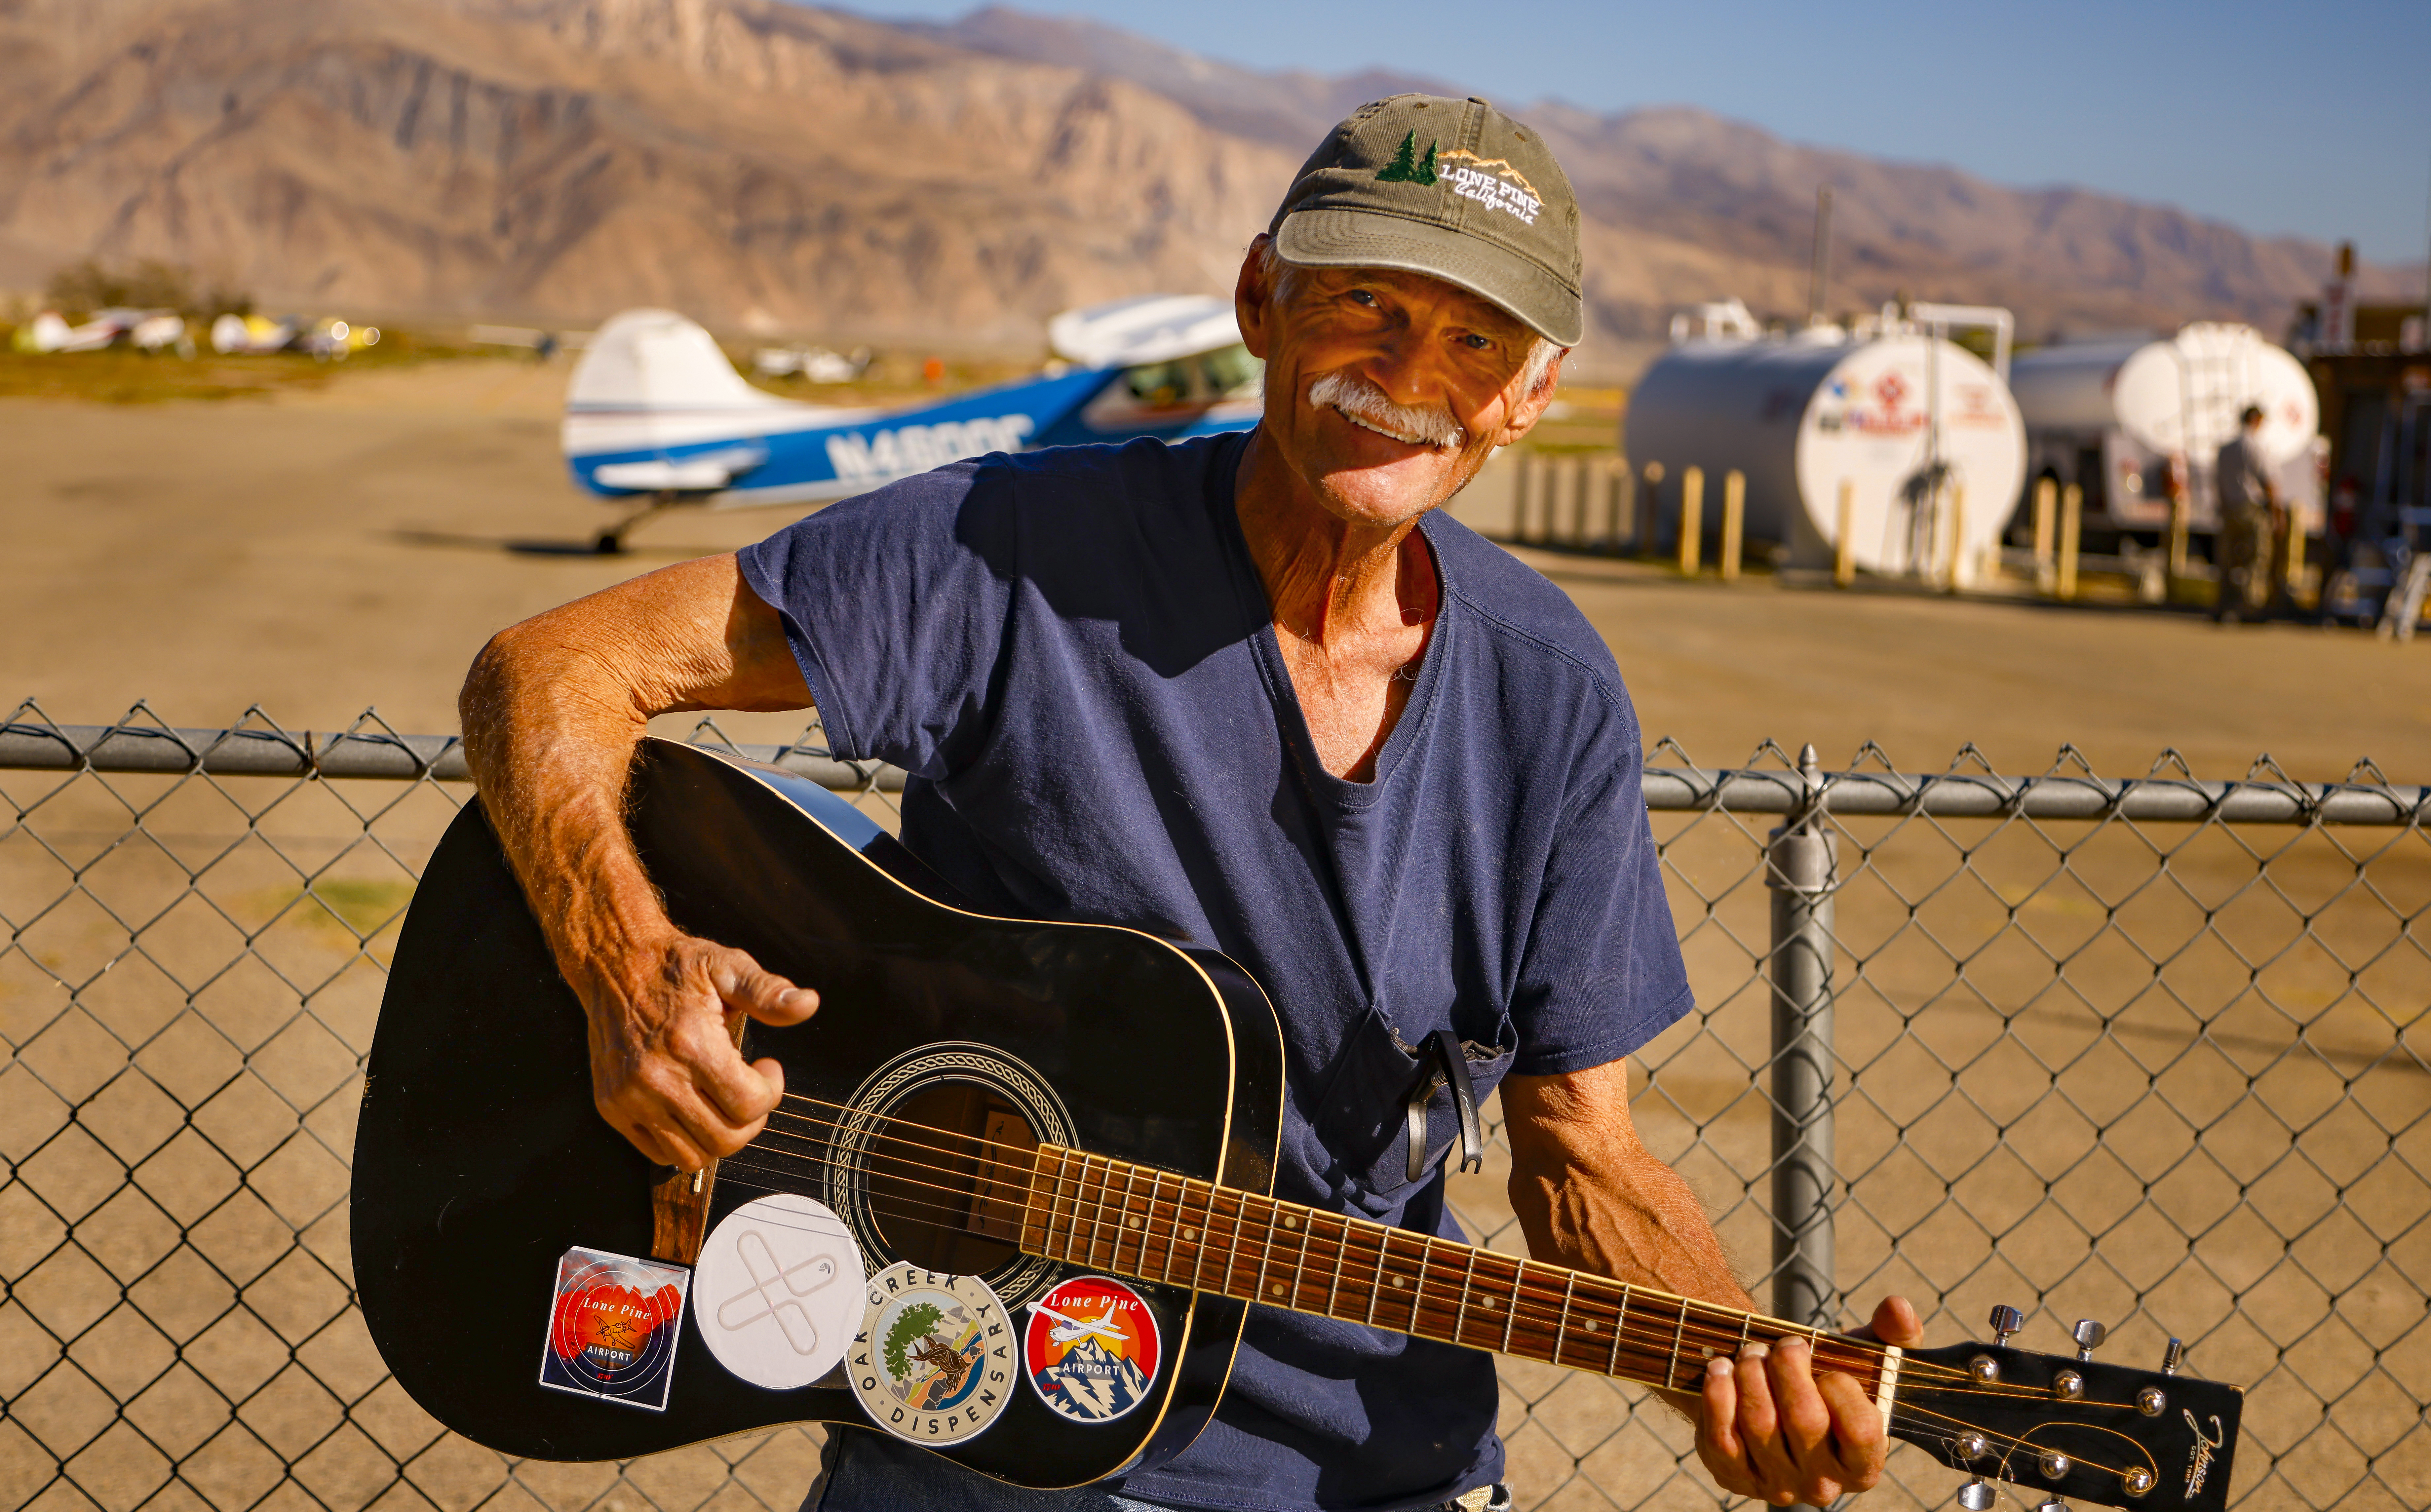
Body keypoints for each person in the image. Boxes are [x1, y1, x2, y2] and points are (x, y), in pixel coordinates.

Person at [459, 95, 1919, 1512]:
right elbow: (550, 670)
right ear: (1259, 298)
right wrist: (626, 969)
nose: (1408, 371)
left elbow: (1581, 1153)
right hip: (973, 1447)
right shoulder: (1012, 549)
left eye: (1474, 336)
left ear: (1531, 393)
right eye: (1362, 301)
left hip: (1384, 1470)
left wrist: (1743, 1359)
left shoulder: (1552, 696)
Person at [2212, 405, 2278, 623]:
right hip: (2250, 508)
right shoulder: (2253, 446)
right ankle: (2251, 605)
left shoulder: (2226, 448)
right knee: (2257, 557)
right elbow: (2267, 480)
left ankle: (2224, 604)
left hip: (2229, 508)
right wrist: (2276, 511)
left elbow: (2218, 481)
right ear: (2257, 420)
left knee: (2228, 559)